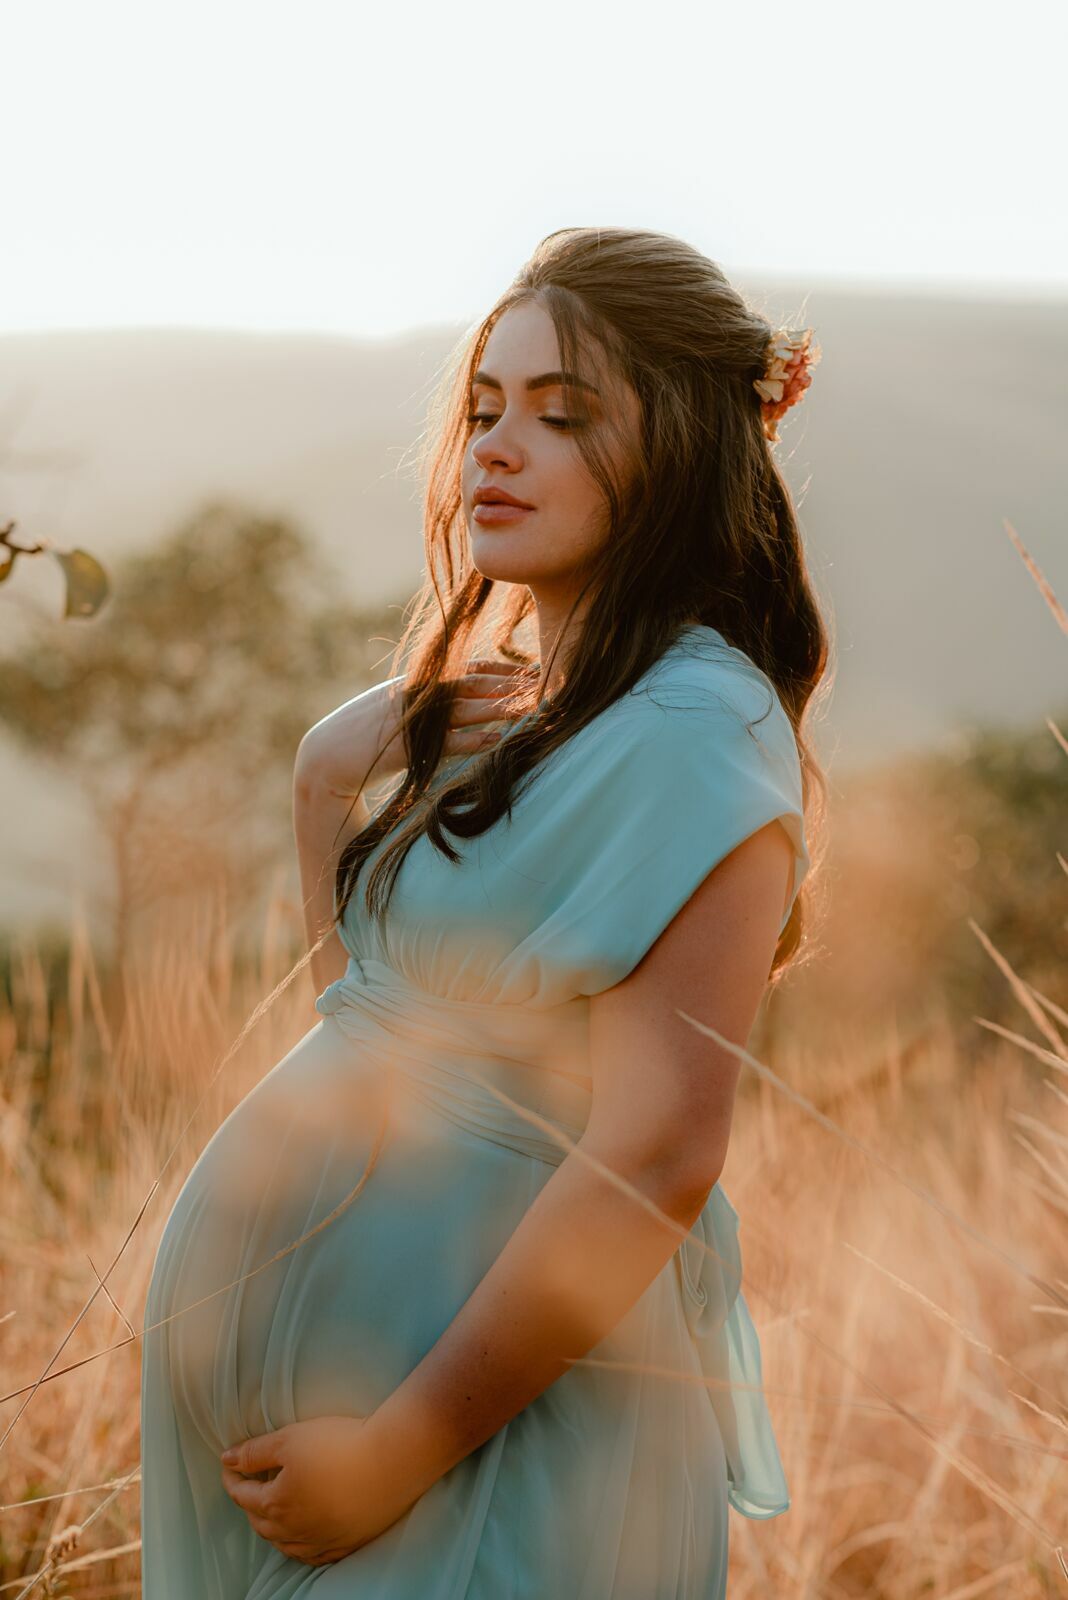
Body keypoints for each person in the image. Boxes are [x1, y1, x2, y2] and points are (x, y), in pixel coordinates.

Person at [140, 225, 830, 1597]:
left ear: (684, 450)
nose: (497, 449)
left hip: (486, 1452)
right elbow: (369, 1027)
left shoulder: (693, 730)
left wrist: (401, 1446)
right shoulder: (542, 716)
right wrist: (324, 780)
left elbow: (656, 1151)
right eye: (485, 409)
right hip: (355, 1442)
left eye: (562, 416)